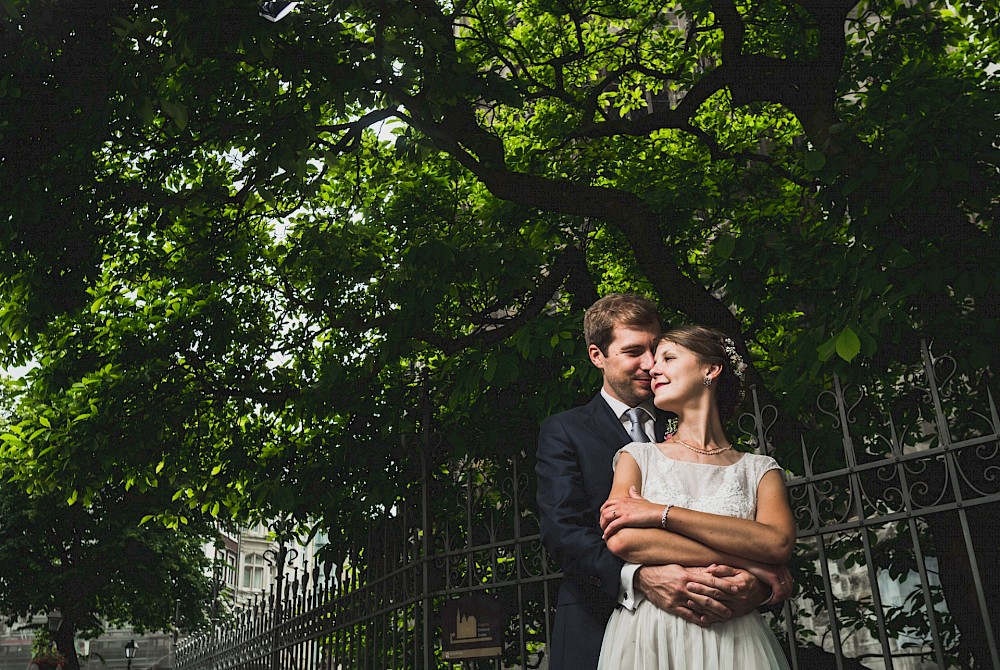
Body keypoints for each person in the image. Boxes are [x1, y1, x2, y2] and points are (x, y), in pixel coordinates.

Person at [536, 295, 791, 670]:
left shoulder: (700, 431)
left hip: (725, 629)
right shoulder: (566, 431)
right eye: (633, 351)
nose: (649, 364)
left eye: (656, 350)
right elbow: (564, 532)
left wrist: (759, 582)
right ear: (597, 356)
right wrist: (640, 577)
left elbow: (763, 535)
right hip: (604, 625)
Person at [597, 324, 795, 669]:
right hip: (651, 636)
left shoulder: (761, 469)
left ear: (710, 369)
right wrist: (749, 561)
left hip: (736, 639)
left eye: (668, 358)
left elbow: (777, 544)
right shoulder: (636, 457)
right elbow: (624, 539)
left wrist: (661, 513)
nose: (652, 369)